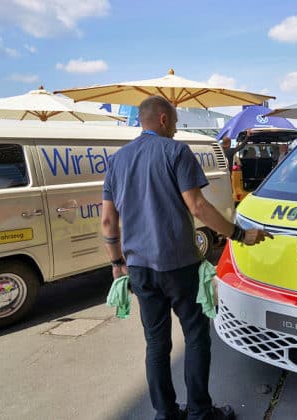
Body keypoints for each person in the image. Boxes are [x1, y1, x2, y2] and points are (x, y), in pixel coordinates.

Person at [101, 95, 273, 419]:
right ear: (164, 119)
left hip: (138, 267)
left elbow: (109, 221)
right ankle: (199, 412)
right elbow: (198, 206)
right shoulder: (176, 151)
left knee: (156, 344)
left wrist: (116, 264)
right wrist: (238, 234)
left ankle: (165, 414)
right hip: (178, 263)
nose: (177, 129)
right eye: (177, 122)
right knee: (196, 336)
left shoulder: (118, 160)